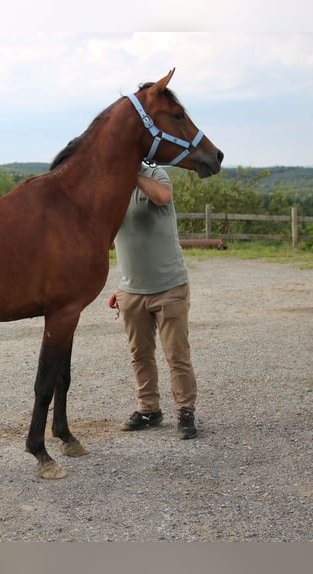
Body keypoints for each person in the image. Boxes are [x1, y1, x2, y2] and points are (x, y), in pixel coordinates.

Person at [110, 161, 198, 439]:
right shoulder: (112, 187)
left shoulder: (155, 175)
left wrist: (130, 173)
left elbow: (162, 197)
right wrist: (122, 287)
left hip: (169, 287)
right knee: (140, 355)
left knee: (177, 356)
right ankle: (149, 410)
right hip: (132, 291)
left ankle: (185, 412)